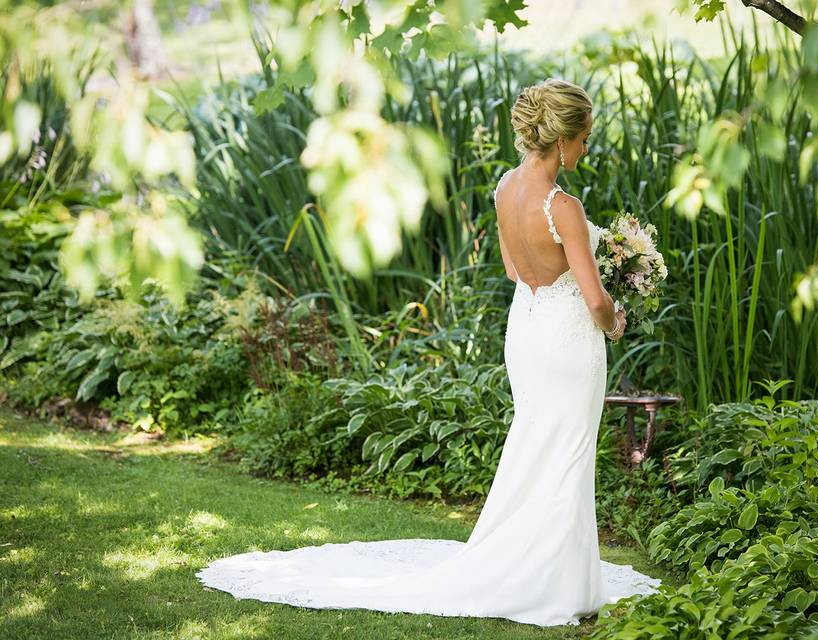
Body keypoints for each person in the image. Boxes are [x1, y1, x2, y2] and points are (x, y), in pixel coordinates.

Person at [195, 78, 659, 628]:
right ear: (563, 139)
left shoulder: (506, 188)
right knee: (567, 454)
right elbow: (595, 299)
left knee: (537, 445)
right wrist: (615, 321)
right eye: (584, 138)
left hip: (527, 332)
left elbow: (515, 271)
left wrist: (568, 279)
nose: (586, 148)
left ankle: (537, 569)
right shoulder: (566, 206)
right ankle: (554, 585)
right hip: (567, 340)